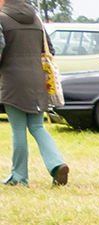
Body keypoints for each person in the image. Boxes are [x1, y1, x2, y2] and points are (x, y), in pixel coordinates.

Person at [0, 0, 68, 187]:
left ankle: (19, 177)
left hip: (12, 81)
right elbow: (49, 49)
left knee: (18, 129)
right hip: (38, 80)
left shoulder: (2, 19)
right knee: (38, 127)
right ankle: (57, 164)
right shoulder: (36, 20)